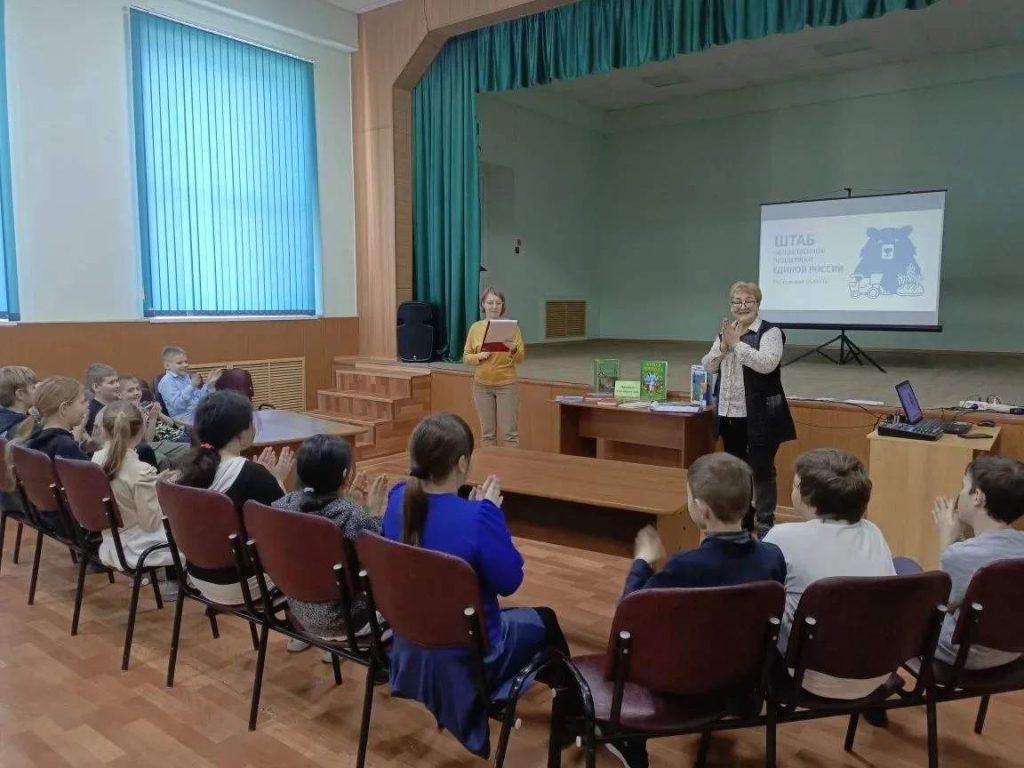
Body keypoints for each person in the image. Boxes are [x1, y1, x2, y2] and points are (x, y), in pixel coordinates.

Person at [382, 412, 569, 757]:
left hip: (410, 644)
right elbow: (510, 581)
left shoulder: (397, 499)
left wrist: (475, 514)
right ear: (462, 463)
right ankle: (571, 717)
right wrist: (491, 515)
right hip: (471, 653)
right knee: (546, 621)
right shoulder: (479, 518)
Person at [612, 452, 786, 768]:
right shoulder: (772, 557)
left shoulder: (684, 566)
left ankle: (629, 739)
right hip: (744, 683)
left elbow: (629, 613)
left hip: (683, 687)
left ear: (701, 509)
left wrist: (642, 562)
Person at [763, 448, 896, 702]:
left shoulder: (783, 537)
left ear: (809, 498)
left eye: (794, 485)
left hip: (805, 676)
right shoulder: (873, 532)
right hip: (876, 673)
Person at [273, 434, 388, 655]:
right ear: (345, 475)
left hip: (298, 612)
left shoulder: (281, 507)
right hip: (347, 621)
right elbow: (377, 557)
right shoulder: (352, 516)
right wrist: (373, 513)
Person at [176, 390, 293, 604]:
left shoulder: (187, 469)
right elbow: (288, 526)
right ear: (241, 433)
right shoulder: (250, 474)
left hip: (196, 576)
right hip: (242, 584)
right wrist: (277, 480)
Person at [701, 281, 795, 535]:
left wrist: (737, 344)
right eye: (737, 301)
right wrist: (723, 346)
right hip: (730, 415)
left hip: (761, 416)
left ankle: (765, 525)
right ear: (731, 305)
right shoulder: (726, 332)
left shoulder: (770, 332)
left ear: (758, 303)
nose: (742, 306)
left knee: (762, 471)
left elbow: (767, 363)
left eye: (748, 301)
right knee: (737, 473)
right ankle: (742, 520)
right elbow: (708, 365)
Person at [930, 456, 1024, 669]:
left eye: (964, 487)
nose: (960, 494)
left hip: (964, 654)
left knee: (906, 579)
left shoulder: (960, 555)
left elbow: (939, 605)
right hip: (1014, 652)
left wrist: (946, 539)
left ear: (978, 498)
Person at [92, 401, 177, 596]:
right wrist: (161, 493)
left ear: (103, 430)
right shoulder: (141, 471)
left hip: (110, 541)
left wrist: (153, 483)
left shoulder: (97, 458)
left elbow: (121, 488)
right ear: (141, 432)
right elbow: (151, 524)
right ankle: (181, 583)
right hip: (136, 547)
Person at [26, 377, 91, 537]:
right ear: (64, 408)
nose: (87, 407)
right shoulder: (64, 445)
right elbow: (94, 486)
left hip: (50, 519)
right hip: (78, 525)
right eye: (83, 402)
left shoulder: (35, 438)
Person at [462, 287, 525, 448]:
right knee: (487, 434)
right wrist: (479, 356)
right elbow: (466, 357)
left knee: (510, 434)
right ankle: (489, 463)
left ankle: (511, 463)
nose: (494, 306)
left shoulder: (512, 328)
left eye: (498, 303)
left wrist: (513, 348)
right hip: (481, 386)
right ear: (483, 305)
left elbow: (520, 359)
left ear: (503, 305)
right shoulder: (475, 328)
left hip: (507, 384)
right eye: (490, 302)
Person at [118, 375, 191, 470]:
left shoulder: (144, 406)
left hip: (175, 434)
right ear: (119, 395)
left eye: (138, 389)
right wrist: (153, 418)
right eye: (130, 390)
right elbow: (147, 440)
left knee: (192, 447)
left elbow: (173, 425)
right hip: (157, 441)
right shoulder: (124, 413)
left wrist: (159, 414)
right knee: (187, 450)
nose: (136, 392)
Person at [157, 346, 222, 420]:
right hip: (183, 420)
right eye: (179, 363)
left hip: (199, 414)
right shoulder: (166, 382)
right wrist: (191, 386)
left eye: (186, 362)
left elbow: (200, 399)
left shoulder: (186, 377)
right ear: (167, 365)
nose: (185, 365)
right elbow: (178, 405)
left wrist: (209, 385)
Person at [84, 363, 121, 438]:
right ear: (96, 387)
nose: (118, 385)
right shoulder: (89, 412)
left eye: (117, 381)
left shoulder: (120, 405)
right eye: (111, 382)